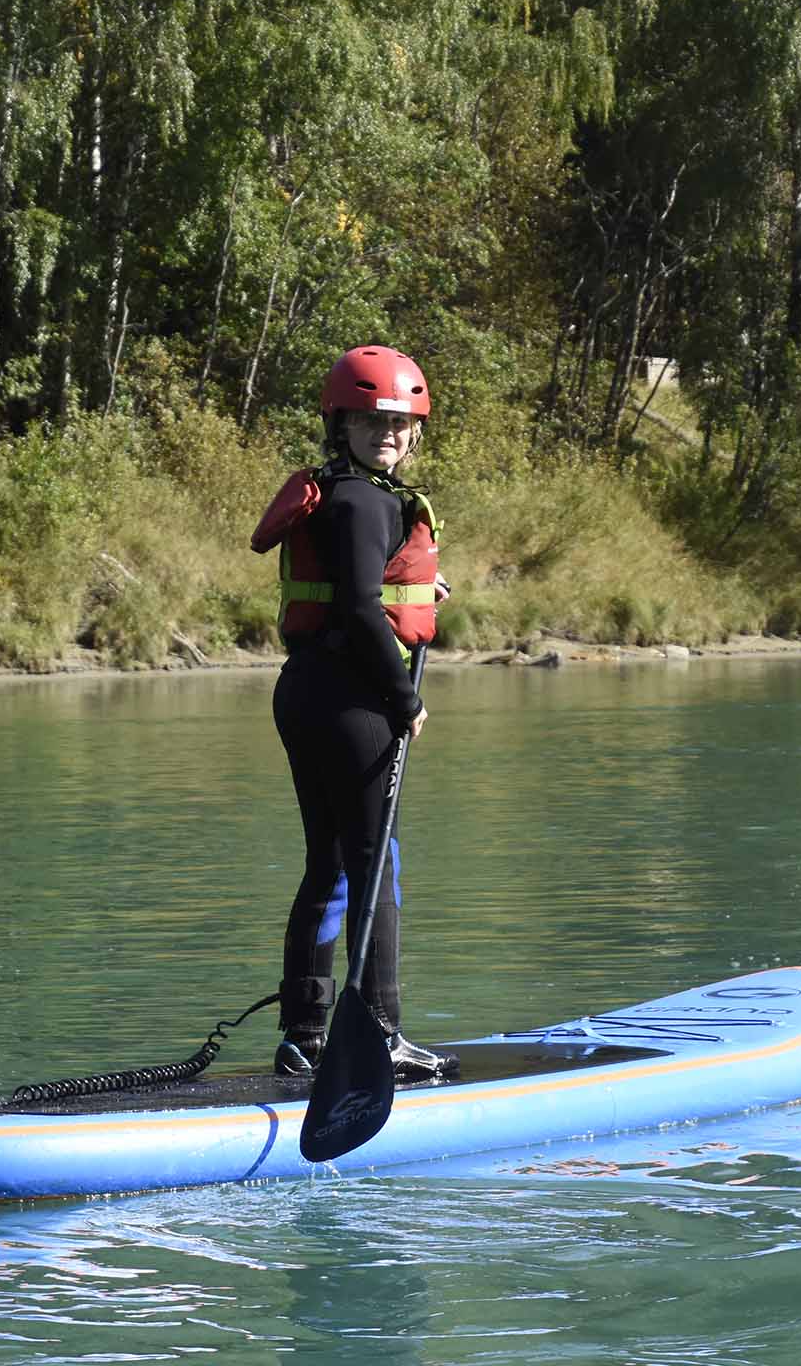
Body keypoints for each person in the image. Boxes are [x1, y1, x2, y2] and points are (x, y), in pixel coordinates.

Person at [250, 345, 458, 1084]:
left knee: (331, 866)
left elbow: (357, 590)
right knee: (377, 869)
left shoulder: (338, 493)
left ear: (417, 430)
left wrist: (418, 594)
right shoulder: (366, 499)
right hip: (352, 700)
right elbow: (366, 611)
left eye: (399, 423)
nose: (388, 434)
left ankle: (304, 1035)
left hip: (306, 689)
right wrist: (407, 700)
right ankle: (382, 1035)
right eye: (371, 421)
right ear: (339, 425)